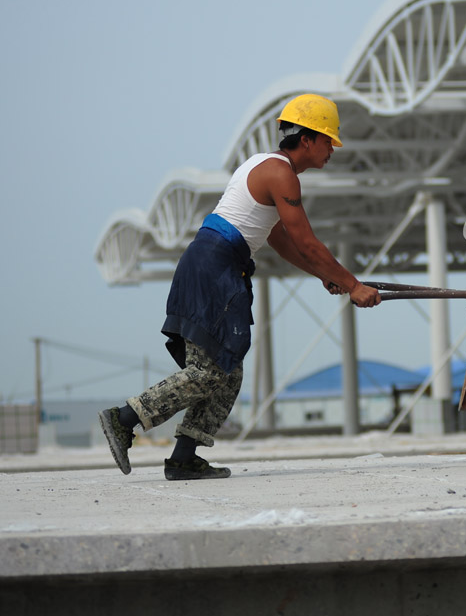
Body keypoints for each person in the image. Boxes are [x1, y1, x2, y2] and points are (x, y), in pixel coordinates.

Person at [99, 94, 380, 480]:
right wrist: (353, 285)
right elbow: (308, 242)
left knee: (227, 369)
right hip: (215, 267)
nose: (332, 149)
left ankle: (183, 459)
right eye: (329, 140)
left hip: (215, 264)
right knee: (211, 371)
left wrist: (326, 276)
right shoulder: (281, 174)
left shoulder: (266, 166)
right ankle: (123, 419)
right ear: (308, 139)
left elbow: (281, 241)